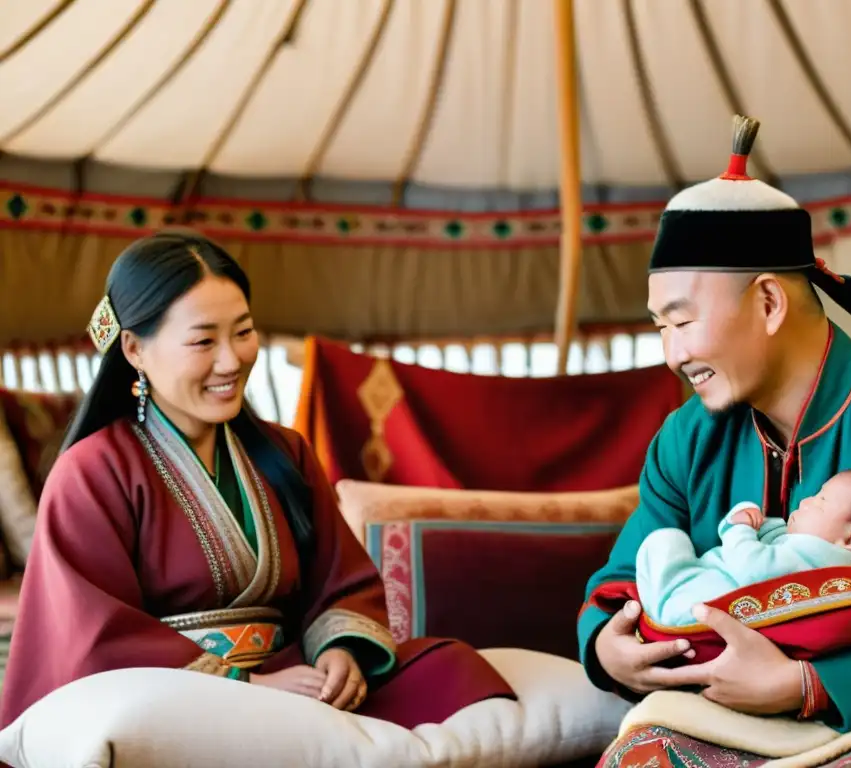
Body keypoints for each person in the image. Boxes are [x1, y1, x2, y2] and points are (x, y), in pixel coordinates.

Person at [578, 116, 851, 766]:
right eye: (659, 327)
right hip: (718, 718)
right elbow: (621, 578)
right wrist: (606, 649)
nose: (672, 354)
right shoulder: (685, 440)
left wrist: (806, 684)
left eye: (682, 321)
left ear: (768, 303)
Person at [0, 233, 513, 730]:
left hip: (296, 678)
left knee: (453, 669)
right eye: (204, 341)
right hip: (169, 698)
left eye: (243, 332)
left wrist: (339, 653)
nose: (232, 360)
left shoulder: (285, 451)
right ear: (133, 349)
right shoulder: (92, 471)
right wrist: (245, 686)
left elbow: (340, 582)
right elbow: (96, 634)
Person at [637, 469, 851, 627]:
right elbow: (768, 536)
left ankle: (661, 598)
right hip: (701, 596)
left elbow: (752, 568)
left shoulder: (816, 561)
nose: (806, 501)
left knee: (666, 540)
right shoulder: (810, 554)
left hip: (694, 605)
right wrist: (747, 519)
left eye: (822, 501)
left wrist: (739, 529)